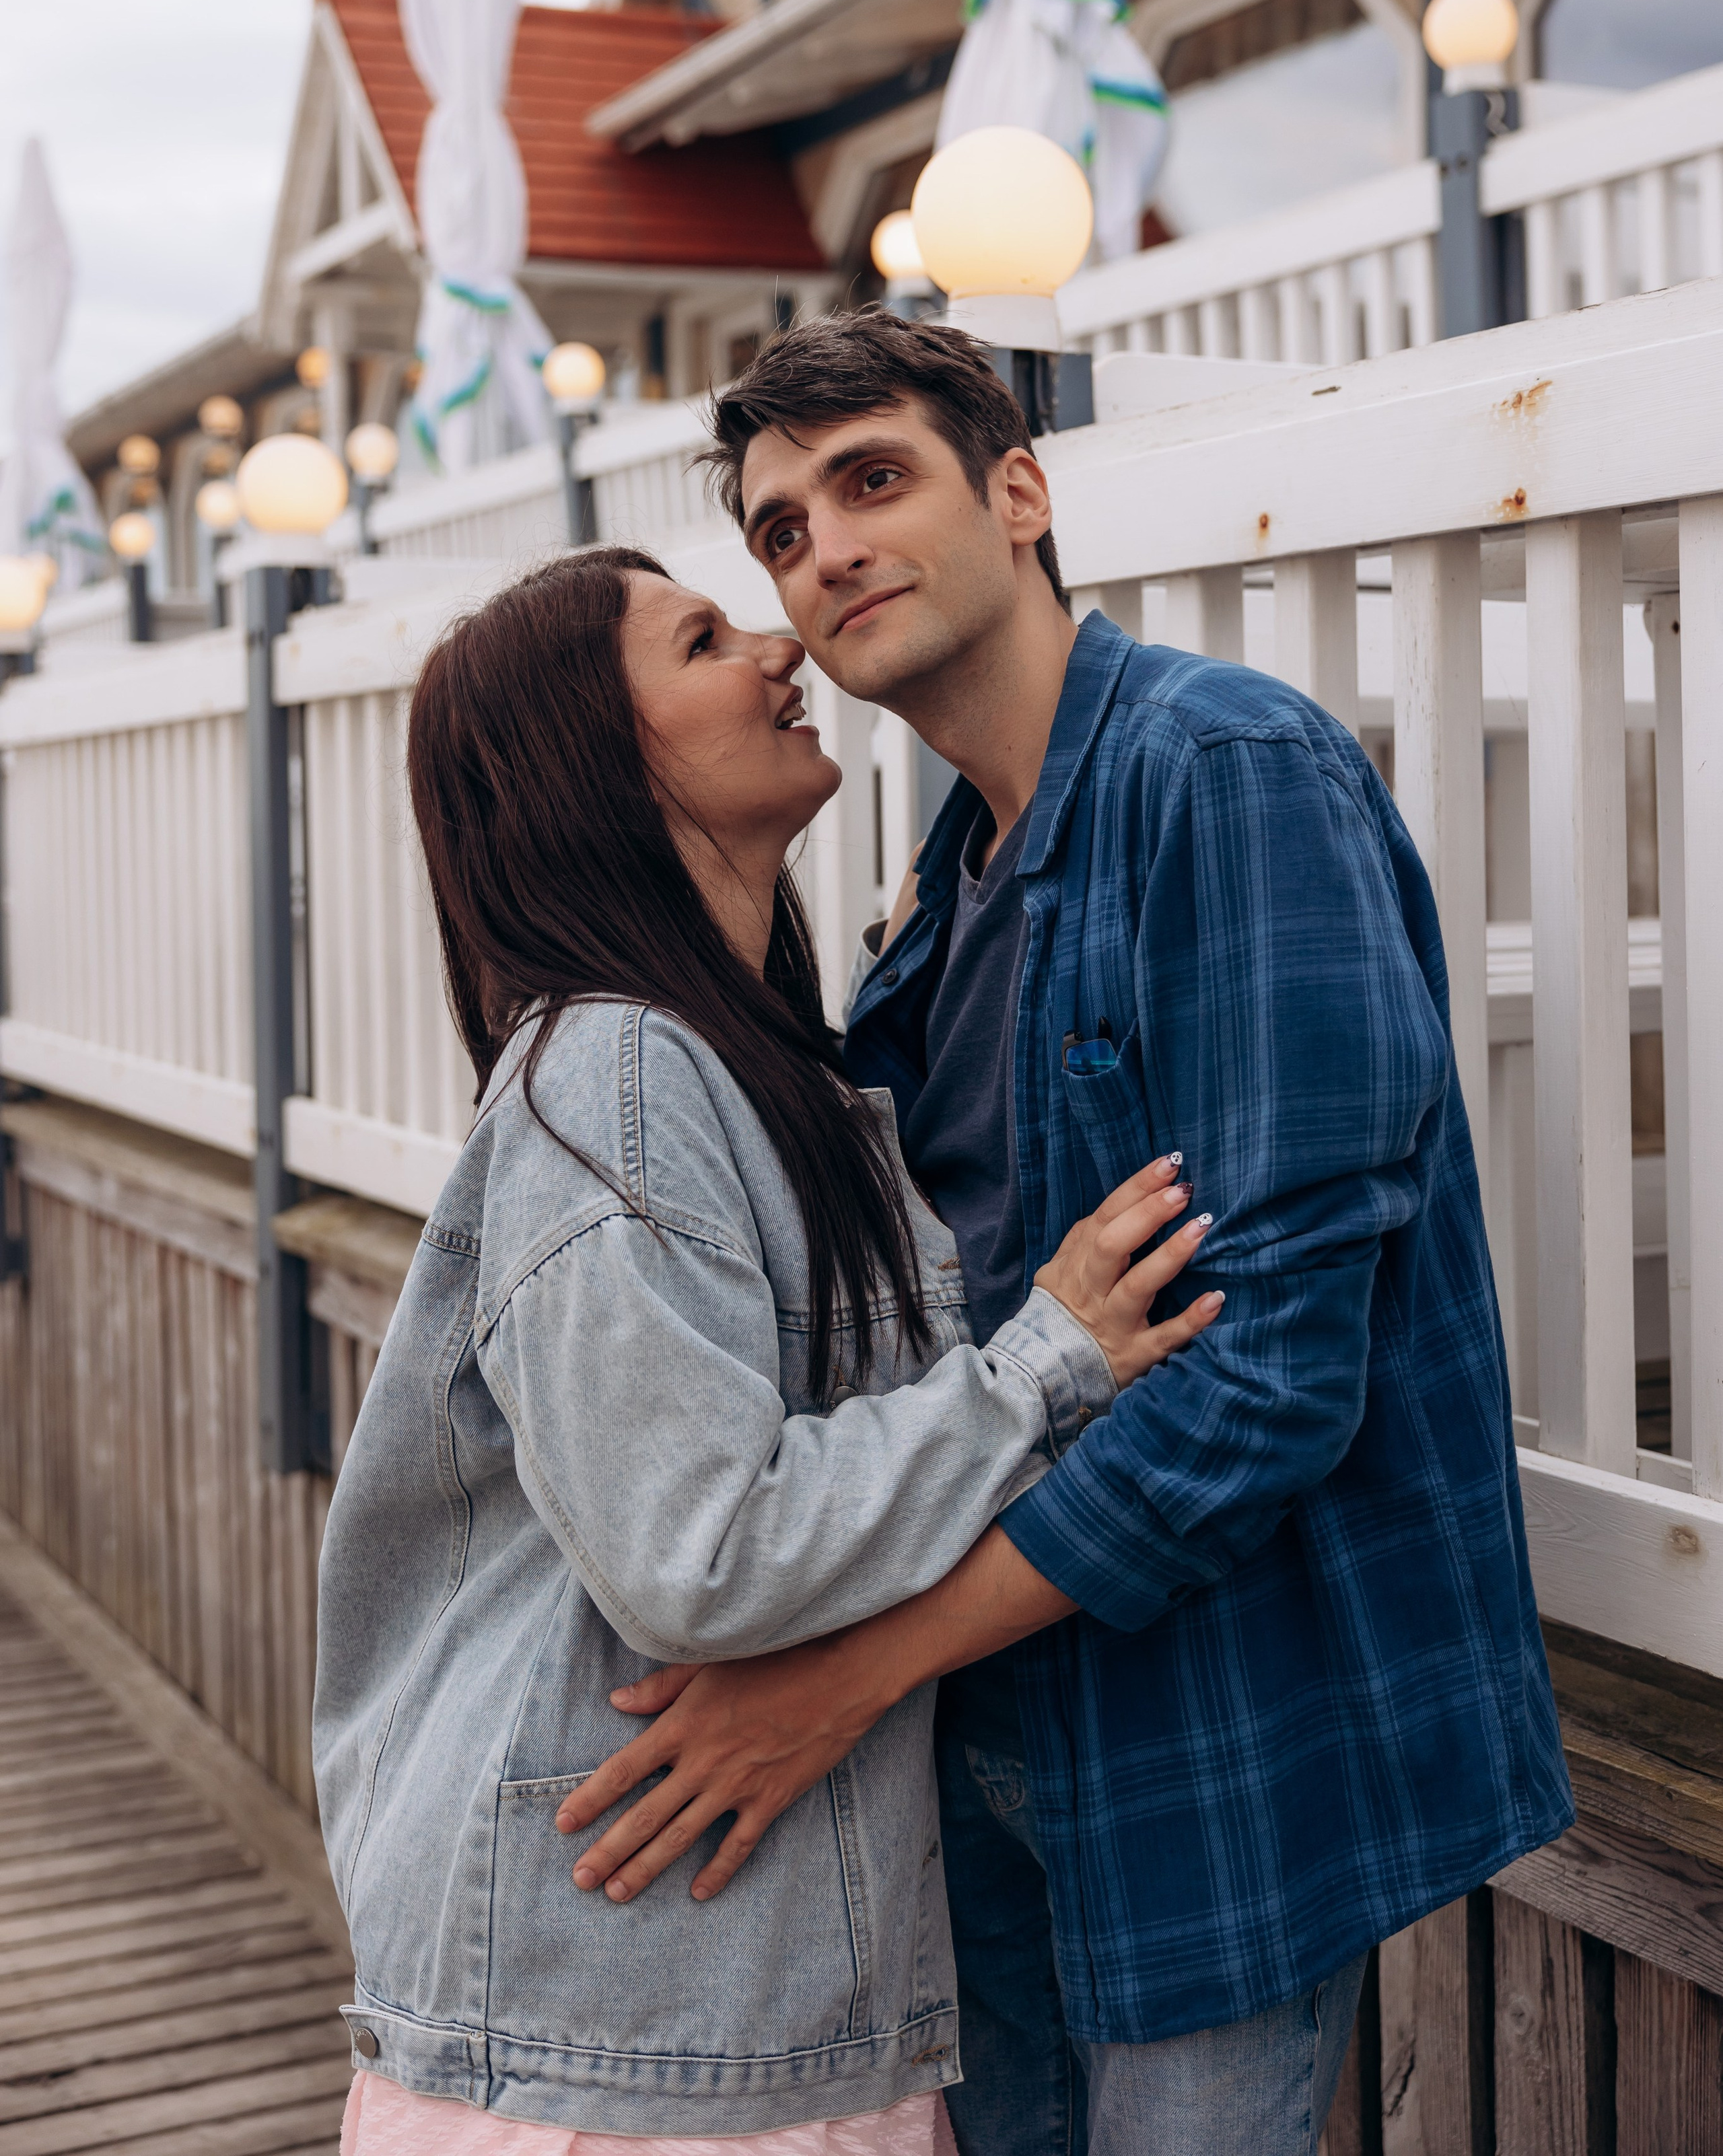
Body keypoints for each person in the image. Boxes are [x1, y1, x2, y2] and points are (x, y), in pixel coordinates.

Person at [555, 314, 1575, 2156]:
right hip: (990, 1741)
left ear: (1017, 492)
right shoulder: (941, 891)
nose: (825, 549)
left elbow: (1270, 1381)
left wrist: (843, 1676)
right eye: (779, 531)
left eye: (872, 479)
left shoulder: (1223, 775)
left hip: (1218, 1728)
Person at [313, 544, 1221, 2151]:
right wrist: (1042, 1361)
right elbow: (699, 1547)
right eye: (704, 639)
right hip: (627, 2013)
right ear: (601, 755)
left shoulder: (740, 1063)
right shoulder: (616, 1073)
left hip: (732, 1991)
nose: (776, 646)